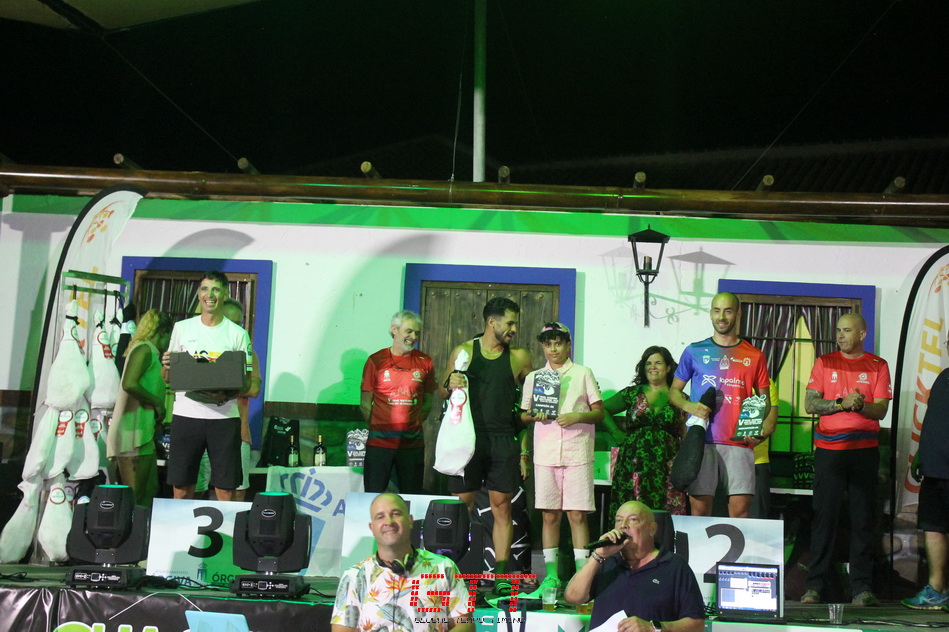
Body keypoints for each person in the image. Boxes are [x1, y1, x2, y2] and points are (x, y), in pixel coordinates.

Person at [439, 297, 533, 596]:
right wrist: (450, 383)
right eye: (510, 323)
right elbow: (441, 390)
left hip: (503, 439)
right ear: (492, 322)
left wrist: (525, 446)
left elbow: (530, 403)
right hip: (468, 440)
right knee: (461, 507)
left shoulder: (519, 358)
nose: (514, 329)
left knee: (502, 508)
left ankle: (501, 576)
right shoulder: (464, 351)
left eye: (515, 323)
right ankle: (455, 571)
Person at [801, 312, 891, 607]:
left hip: (864, 452)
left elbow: (881, 410)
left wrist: (860, 405)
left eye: (847, 330)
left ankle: (861, 588)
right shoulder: (824, 362)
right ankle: (814, 587)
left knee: (863, 520)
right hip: (829, 452)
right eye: (838, 330)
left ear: (862, 334)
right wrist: (841, 403)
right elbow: (810, 403)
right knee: (824, 518)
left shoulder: (878, 365)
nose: (840, 335)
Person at [670, 292, 772, 518]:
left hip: (739, 442)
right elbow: (674, 392)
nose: (722, 317)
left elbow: (764, 400)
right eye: (717, 311)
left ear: (738, 314)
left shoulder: (755, 355)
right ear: (710, 314)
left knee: (740, 511)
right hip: (701, 441)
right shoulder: (694, 351)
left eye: (728, 311)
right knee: (699, 510)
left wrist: (755, 426)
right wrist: (689, 406)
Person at [519, 322, 604, 591]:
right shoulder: (535, 377)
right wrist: (536, 415)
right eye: (548, 344)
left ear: (568, 344)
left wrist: (578, 416)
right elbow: (523, 414)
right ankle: (551, 576)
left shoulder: (582, 373)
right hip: (545, 453)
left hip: (577, 451)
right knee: (549, 515)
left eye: (558, 343)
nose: (553, 349)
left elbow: (599, 412)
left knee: (577, 514)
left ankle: (582, 575)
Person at [161, 270, 253, 501]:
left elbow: (248, 383)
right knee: (181, 487)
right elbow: (167, 378)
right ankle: (181, 525)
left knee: (226, 488)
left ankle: (225, 526)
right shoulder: (182, 328)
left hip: (224, 418)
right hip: (186, 415)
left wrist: (224, 391)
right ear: (199, 293)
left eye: (215, 290)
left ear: (225, 295)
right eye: (204, 289)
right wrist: (166, 365)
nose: (209, 295)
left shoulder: (238, 334)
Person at [331, 493, 473, 632]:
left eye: (396, 514)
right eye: (380, 517)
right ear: (372, 528)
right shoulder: (354, 577)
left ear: (410, 521)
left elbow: (466, 624)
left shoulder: (443, 567)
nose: (389, 522)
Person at [564, 501, 705, 632]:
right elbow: (573, 597)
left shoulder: (674, 566)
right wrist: (598, 555)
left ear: (652, 529)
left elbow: (697, 624)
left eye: (633, 520)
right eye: (619, 520)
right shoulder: (605, 561)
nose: (623, 525)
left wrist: (653, 627)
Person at [604, 345, 687, 519]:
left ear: (669, 367)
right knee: (632, 510)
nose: (652, 367)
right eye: (648, 363)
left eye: (658, 363)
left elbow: (685, 431)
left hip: (667, 463)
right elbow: (601, 409)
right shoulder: (632, 393)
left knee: (666, 508)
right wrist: (616, 433)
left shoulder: (680, 397)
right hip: (633, 462)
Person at [360, 310, 436, 494]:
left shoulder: (425, 362)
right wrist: (380, 428)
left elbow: (428, 402)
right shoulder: (376, 360)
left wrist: (411, 425)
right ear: (394, 330)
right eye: (409, 331)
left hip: (412, 445)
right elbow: (365, 403)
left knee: (412, 496)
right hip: (379, 444)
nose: (413, 337)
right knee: (373, 496)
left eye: (417, 333)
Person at [194, 298, 262, 501]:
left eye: (238, 323)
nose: (234, 327)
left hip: (237, 432)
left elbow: (254, 389)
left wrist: (222, 385)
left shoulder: (248, 354)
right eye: (229, 321)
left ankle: (232, 523)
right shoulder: (201, 351)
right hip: (201, 427)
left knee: (237, 490)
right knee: (196, 487)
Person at [107, 309, 172, 507]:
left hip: (143, 432)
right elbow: (129, 383)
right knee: (135, 495)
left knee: (150, 491)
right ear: (162, 332)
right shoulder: (143, 349)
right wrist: (157, 402)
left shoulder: (150, 353)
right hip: (131, 432)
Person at [904, 363, 949, 609]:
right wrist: (921, 453)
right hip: (934, 467)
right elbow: (932, 420)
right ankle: (936, 589)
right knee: (933, 527)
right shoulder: (943, 378)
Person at [750, 379, 779, 520]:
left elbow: (770, 423)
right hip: (722, 461)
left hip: (756, 461)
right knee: (719, 519)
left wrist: (745, 444)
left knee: (756, 519)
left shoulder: (766, 383)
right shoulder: (718, 377)